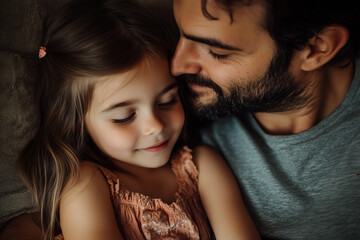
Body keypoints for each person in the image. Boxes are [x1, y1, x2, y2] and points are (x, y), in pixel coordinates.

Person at [15, 0, 260, 239]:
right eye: (124, 117)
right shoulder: (86, 184)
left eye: (167, 101)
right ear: (78, 122)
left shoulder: (202, 166)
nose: (155, 125)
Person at [171, 0, 360, 239]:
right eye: (178, 33)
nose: (176, 66)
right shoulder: (175, 119)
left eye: (218, 52)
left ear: (317, 48)